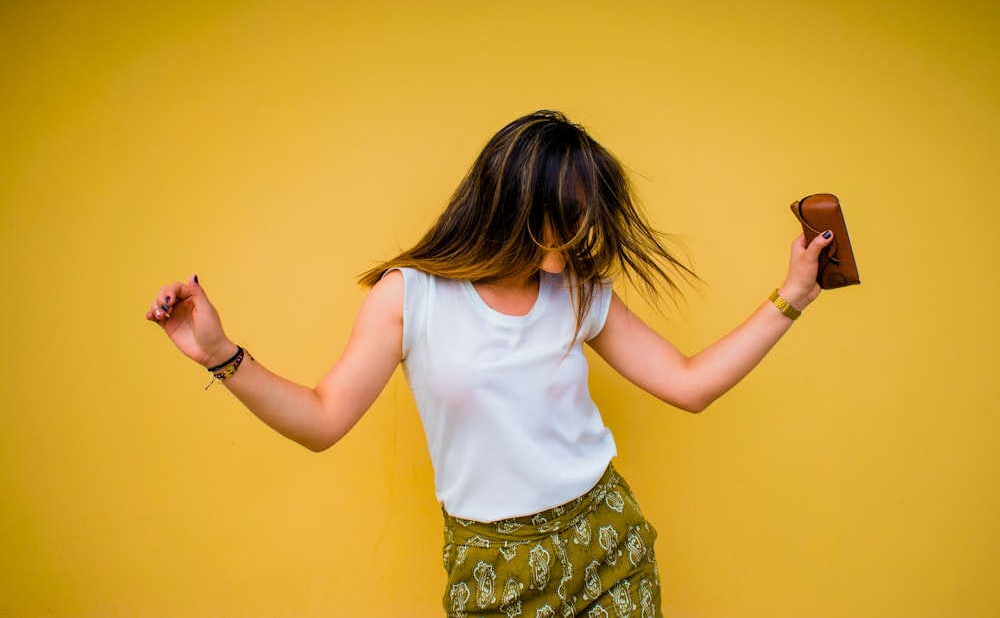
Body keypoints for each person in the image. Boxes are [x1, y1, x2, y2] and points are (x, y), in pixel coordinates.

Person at [146, 110, 833, 618]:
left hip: (608, 549)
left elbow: (690, 384)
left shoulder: (579, 291)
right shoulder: (409, 295)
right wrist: (220, 355)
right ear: (516, 208)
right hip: (491, 567)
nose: (586, 230)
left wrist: (793, 294)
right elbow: (323, 419)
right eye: (572, 213)